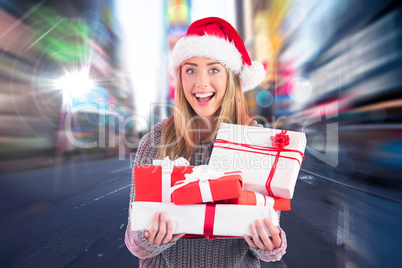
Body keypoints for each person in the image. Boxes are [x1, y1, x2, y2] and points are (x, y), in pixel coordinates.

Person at [125, 17, 287, 267]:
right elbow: (134, 241)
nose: (201, 83)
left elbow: (269, 228)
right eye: (191, 70)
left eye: (213, 69)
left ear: (231, 79)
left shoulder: (256, 141)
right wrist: (151, 241)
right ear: (180, 77)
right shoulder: (154, 142)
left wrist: (271, 245)